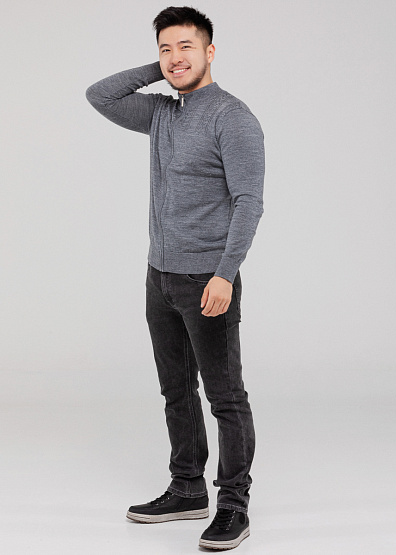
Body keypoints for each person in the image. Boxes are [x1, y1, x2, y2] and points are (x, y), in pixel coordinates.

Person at [85, 6, 265, 551]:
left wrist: (225, 274)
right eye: (166, 48)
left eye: (186, 46)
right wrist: (163, 70)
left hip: (207, 278)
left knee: (224, 396)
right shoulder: (162, 113)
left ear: (211, 51)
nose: (174, 57)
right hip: (159, 275)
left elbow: (249, 202)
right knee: (175, 390)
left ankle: (234, 504)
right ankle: (187, 488)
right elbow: (99, 95)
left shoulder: (232, 117)